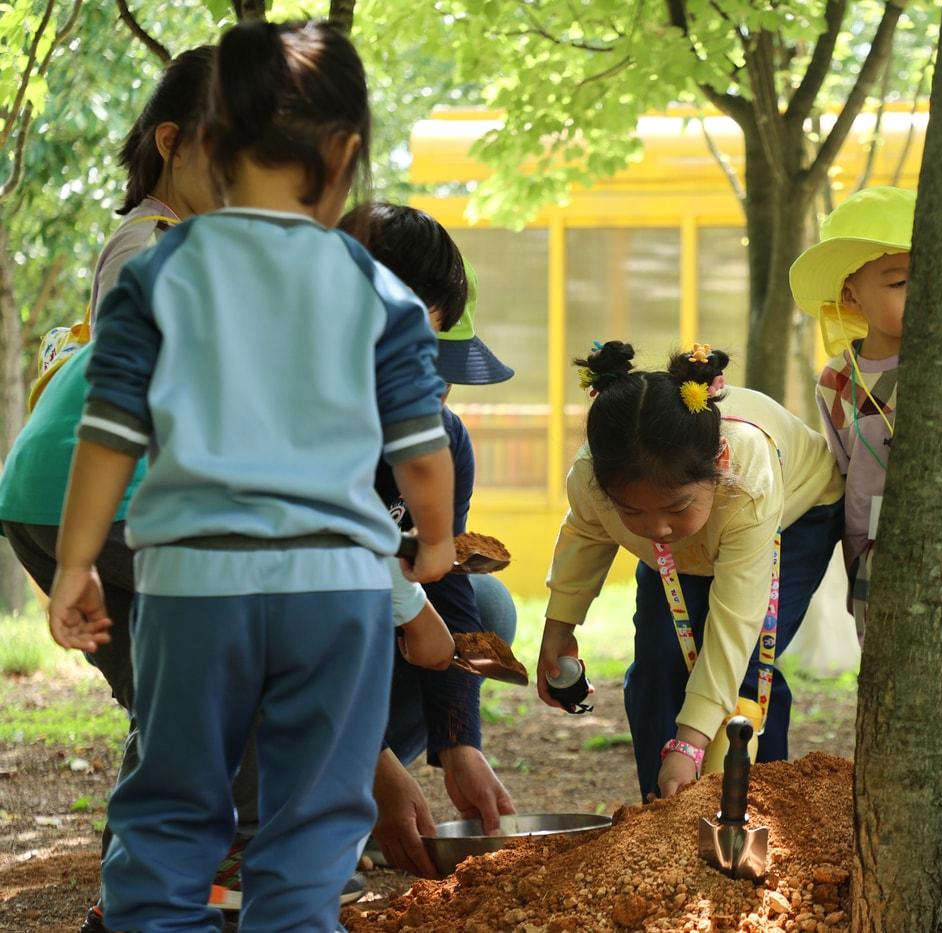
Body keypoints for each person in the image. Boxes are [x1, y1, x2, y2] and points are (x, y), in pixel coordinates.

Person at [45, 20, 457, 933]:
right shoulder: (374, 288)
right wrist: (435, 539)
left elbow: (108, 433)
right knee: (313, 817)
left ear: (209, 145)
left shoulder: (158, 273)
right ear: (347, 154)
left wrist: (76, 563)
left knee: (173, 801)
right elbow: (422, 443)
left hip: (194, 582)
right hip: (336, 589)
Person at [0, 47, 227, 933]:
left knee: (184, 704)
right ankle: (149, 902)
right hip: (97, 499)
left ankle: (148, 897)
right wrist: (88, 548)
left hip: (103, 500)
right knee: (197, 704)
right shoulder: (149, 245)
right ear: (172, 142)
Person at [790, 185, 942, 787]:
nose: (919, 292)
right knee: (901, 698)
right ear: (852, 291)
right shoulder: (837, 380)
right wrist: (854, 568)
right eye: (898, 282)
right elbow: (845, 476)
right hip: (879, 560)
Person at [537, 342, 844, 800]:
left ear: (717, 463)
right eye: (633, 513)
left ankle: (761, 811)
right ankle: (663, 811)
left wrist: (692, 738)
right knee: (660, 662)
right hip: (702, 531)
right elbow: (587, 533)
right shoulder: (591, 475)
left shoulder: (746, 472)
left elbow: (736, 622)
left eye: (674, 508)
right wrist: (558, 627)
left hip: (794, 514)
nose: (657, 528)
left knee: (745, 672)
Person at [341, 202, 519, 877]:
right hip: (261, 630)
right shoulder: (308, 420)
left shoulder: (442, 439)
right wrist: (377, 772)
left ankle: (338, 784)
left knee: (486, 609)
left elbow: (442, 577)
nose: (430, 390)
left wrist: (458, 744)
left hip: (347, 631)